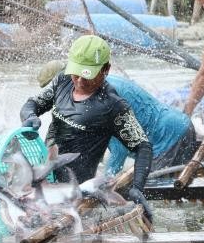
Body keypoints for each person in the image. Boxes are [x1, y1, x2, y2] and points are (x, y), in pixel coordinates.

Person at [21, 35, 153, 221]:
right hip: (45, 180)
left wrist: (137, 188)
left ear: (106, 69)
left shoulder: (114, 106)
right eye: (76, 73)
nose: (80, 80)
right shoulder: (62, 81)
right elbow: (32, 103)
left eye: (88, 75)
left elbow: (143, 146)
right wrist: (29, 117)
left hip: (77, 196)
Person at [37, 61, 197, 175]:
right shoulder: (94, 84)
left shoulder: (99, 98)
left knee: (155, 195)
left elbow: (120, 149)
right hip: (179, 127)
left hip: (168, 138)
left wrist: (104, 183)